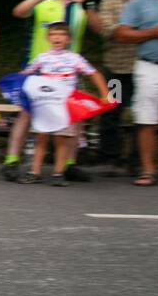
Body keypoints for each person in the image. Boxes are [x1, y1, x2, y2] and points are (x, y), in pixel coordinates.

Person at [1, 0, 97, 181]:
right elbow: (19, 12)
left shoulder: (81, 5)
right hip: (39, 70)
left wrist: (89, 4)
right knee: (26, 115)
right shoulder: (44, 1)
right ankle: (11, 160)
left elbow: (98, 28)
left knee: (75, 117)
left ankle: (69, 164)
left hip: (68, 72)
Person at [18, 22, 110, 185]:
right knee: (41, 137)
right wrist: (14, 83)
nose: (57, 37)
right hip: (44, 104)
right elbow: (26, 74)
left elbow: (93, 73)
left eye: (61, 34)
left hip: (64, 105)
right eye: (53, 34)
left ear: (68, 39)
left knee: (61, 139)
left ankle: (58, 173)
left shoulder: (74, 58)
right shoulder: (42, 57)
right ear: (47, 38)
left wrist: (105, 94)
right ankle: (34, 172)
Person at [112, 0, 158, 187]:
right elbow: (122, 34)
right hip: (149, 66)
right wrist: (153, 32)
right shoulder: (139, 1)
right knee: (146, 119)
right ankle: (148, 171)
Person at [95, 0, 149, 173]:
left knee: (143, 114)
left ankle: (136, 161)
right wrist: (144, 33)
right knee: (110, 112)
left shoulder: (155, 2)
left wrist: (128, 33)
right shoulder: (109, 3)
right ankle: (109, 158)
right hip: (116, 68)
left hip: (144, 69)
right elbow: (109, 31)